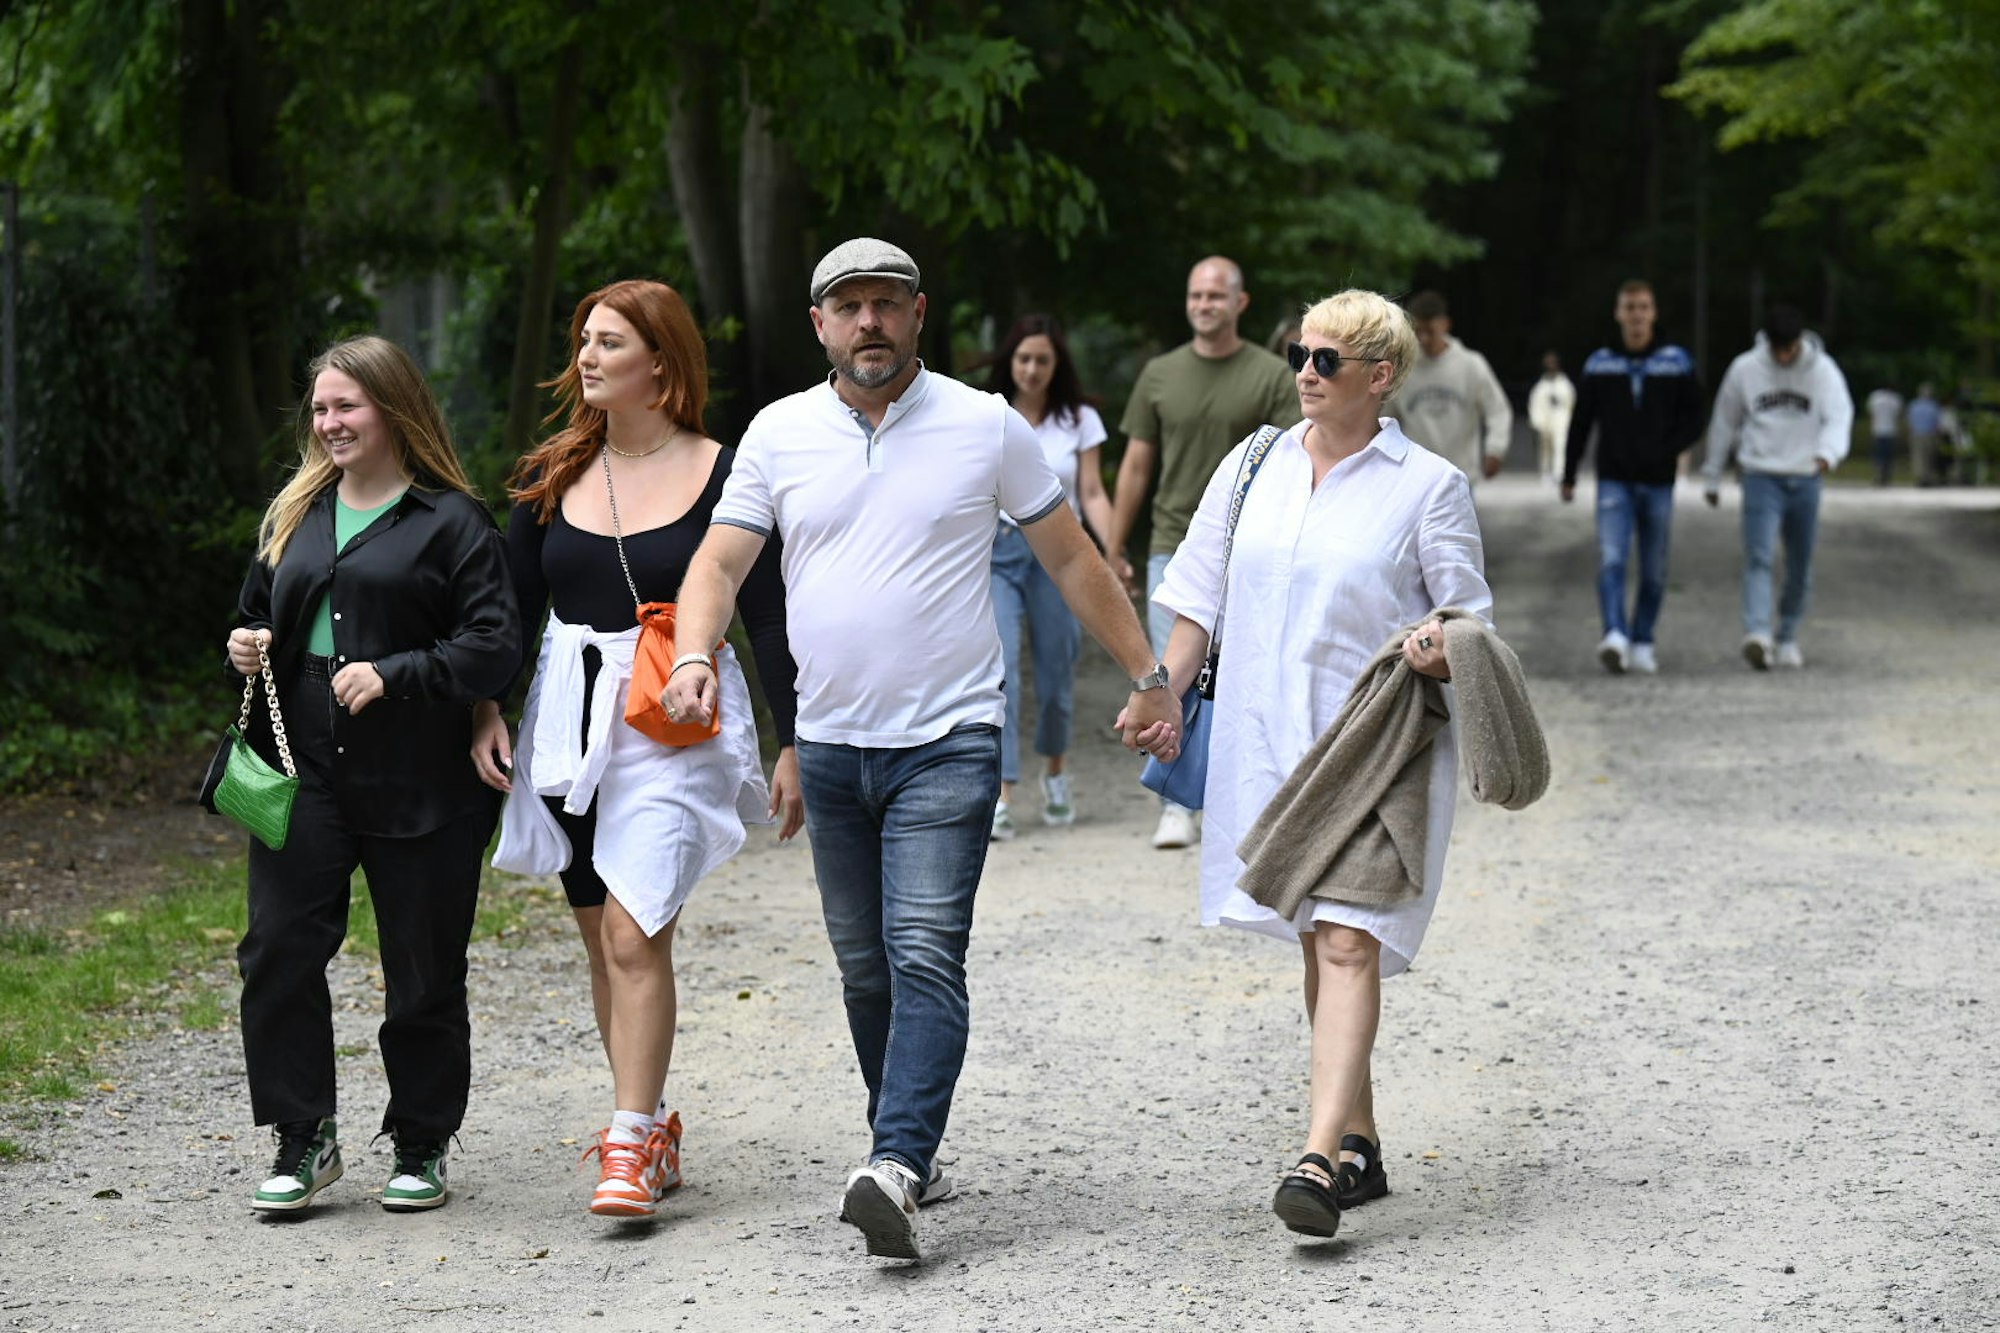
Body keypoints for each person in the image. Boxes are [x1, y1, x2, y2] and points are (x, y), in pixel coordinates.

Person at [665, 238, 1180, 1262]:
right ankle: (908, 1148)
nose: (869, 321)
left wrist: (1148, 672)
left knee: (924, 952)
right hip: (829, 742)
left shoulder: (983, 424)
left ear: (918, 315)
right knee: (865, 969)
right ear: (820, 324)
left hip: (950, 738)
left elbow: (1070, 556)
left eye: (886, 303)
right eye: (848, 305)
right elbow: (718, 564)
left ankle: (895, 1160)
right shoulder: (777, 432)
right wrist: (691, 654)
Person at [1150, 290, 1494, 1239]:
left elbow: (1469, 618)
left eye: (1326, 359)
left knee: (1347, 943)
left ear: (1381, 376)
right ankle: (1359, 1141)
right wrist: (1161, 691)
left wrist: (1439, 643)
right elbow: (1198, 595)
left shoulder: (1428, 487)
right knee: (1319, 940)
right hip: (1269, 745)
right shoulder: (1251, 465)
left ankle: (1314, 1157)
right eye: (1301, 352)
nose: (1304, 370)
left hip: (1379, 748)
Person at [472, 279, 801, 1219]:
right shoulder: (552, 473)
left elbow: (768, 615)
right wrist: (485, 707)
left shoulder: (727, 473)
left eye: (609, 341)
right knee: (600, 939)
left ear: (660, 362)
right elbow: (511, 611)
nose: (586, 356)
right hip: (569, 724)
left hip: (674, 721)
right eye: (583, 339)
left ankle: (624, 1146)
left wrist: (793, 740)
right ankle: (650, 1124)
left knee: (633, 929)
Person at [225, 335, 520, 1215]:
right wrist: (246, 643)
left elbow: (494, 646)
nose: (329, 422)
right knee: (277, 948)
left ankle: (421, 1140)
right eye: (320, 408)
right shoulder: (296, 513)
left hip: (421, 769)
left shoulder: (452, 520)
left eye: (345, 405)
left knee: (422, 965)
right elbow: (254, 612)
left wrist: (397, 672)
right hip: (304, 765)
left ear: (391, 409)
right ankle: (302, 1136)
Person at [1109, 256, 1299, 850]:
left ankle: (1252, 795)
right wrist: (1114, 545)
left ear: (1240, 303)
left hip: (1251, 551)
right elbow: (1136, 465)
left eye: (1216, 295)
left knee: (1244, 672)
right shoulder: (1160, 374)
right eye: (1196, 295)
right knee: (1173, 675)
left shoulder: (1272, 375)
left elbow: (1297, 458)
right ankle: (1175, 802)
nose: (1204, 305)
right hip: (1172, 544)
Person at [984, 314, 1116, 839]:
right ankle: (1002, 791)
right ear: (1010, 362)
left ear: (1057, 364)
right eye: (1024, 359)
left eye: (1042, 359)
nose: (1032, 369)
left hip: (1060, 551)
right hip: (999, 549)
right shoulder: (989, 414)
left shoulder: (1079, 420)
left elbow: (1093, 492)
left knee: (1057, 672)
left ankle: (1056, 772)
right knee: (1002, 672)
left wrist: (1111, 551)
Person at [1560, 279, 1706, 675]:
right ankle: (1615, 634)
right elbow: (1581, 422)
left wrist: (1668, 447)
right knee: (1612, 558)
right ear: (1619, 313)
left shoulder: (1676, 362)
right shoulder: (1600, 363)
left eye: (1643, 307)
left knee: (1654, 568)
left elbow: (1696, 415)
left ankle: (1643, 639)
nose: (1637, 315)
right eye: (1630, 307)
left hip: (1658, 481)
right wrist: (1569, 473)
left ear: (1653, 313)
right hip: (1614, 478)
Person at [1701, 305, 1854, 670]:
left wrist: (1828, 453)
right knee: (1759, 556)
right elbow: (1724, 420)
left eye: (1789, 348)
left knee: (1800, 562)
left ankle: (1787, 635)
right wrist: (1712, 473)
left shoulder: (1823, 370)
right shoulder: (1745, 369)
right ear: (1767, 343)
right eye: (1777, 349)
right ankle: (1758, 633)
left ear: (1800, 341)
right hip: (1760, 475)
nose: (1784, 356)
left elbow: (1839, 415)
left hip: (1806, 475)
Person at [1388, 290, 1513, 484]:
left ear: (1445, 325)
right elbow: (1384, 417)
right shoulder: (1404, 368)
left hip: (1461, 476)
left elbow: (1497, 410)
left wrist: (1495, 449)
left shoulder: (1470, 365)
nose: (1423, 339)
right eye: (1418, 331)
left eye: (1429, 331)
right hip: (1416, 478)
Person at [1527, 350, 1576, 484]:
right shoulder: (1541, 386)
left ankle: (1559, 473)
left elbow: (1571, 402)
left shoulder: (1565, 384)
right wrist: (1536, 422)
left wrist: (1570, 420)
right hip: (1545, 421)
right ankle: (1545, 472)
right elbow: (1534, 404)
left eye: (1552, 362)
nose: (1550, 365)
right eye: (1548, 363)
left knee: (1560, 445)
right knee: (1545, 449)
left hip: (1561, 420)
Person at [1864, 384, 1904, 486]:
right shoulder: (1895, 399)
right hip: (1891, 431)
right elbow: (1898, 415)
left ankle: (1877, 476)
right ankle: (1886, 477)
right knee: (1888, 456)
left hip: (1877, 430)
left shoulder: (1875, 397)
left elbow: (1871, 413)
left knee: (1878, 455)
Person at [1906, 383, 1942, 486]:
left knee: (1918, 456)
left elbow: (1909, 421)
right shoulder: (1933, 406)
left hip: (1917, 434)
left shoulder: (1914, 405)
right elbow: (1937, 423)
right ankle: (1927, 477)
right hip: (1929, 434)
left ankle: (1920, 477)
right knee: (1929, 457)